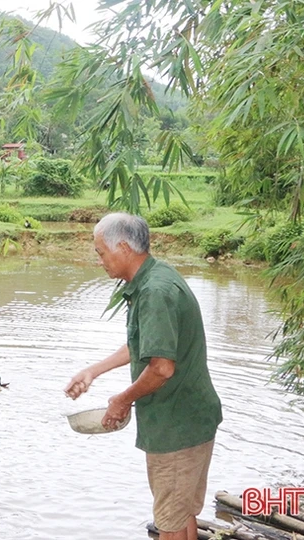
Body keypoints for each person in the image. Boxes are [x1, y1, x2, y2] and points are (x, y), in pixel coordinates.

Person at [64, 212, 222, 540]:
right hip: (189, 419)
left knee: (169, 523)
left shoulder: (154, 292)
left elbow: (162, 367)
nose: (100, 261)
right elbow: (144, 343)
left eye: (100, 252)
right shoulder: (155, 277)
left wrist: (123, 400)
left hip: (177, 426)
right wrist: (94, 370)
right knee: (181, 514)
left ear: (122, 247)